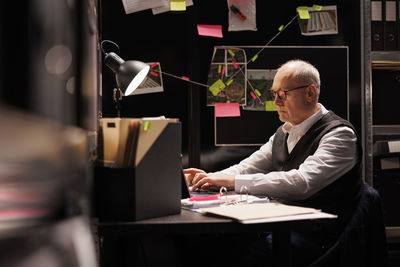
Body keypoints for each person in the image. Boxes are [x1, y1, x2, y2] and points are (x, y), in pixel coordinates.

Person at [184, 59, 363, 266]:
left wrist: (232, 181)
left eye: (282, 94)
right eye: (274, 94)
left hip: (319, 237)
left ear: (310, 93)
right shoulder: (284, 132)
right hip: (282, 228)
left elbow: (302, 182)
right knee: (205, 245)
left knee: (235, 256)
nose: (276, 102)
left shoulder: (340, 135)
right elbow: (246, 167)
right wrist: (207, 179)